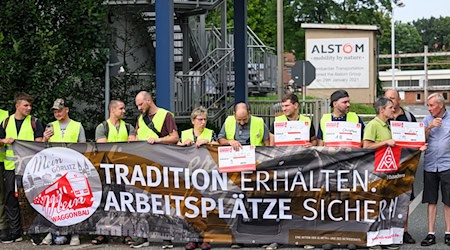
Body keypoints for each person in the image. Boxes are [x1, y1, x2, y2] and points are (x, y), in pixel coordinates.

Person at [133, 91, 179, 249]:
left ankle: (167, 237)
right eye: (137, 105)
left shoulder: (165, 115)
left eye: (140, 104)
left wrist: (158, 140)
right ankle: (142, 236)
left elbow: (174, 137)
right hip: (144, 166)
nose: (139, 108)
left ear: (148, 100)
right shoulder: (141, 119)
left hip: (162, 164)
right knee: (143, 201)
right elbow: (136, 136)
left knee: (164, 201)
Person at [0, 92, 44, 244]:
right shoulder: (5, 122)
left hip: (29, 168)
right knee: (11, 199)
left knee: (31, 199)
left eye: (30, 105)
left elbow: (39, 144)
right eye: (26, 105)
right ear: (17, 106)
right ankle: (15, 232)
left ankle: (34, 232)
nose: (29, 108)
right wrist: (4, 140)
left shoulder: (34, 122)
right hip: (10, 167)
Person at [42, 98, 86, 246]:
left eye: (59, 110)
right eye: (55, 111)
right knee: (55, 201)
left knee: (73, 201)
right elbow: (44, 149)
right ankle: (52, 231)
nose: (57, 113)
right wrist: (45, 139)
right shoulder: (50, 125)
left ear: (66, 110)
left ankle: (75, 233)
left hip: (72, 169)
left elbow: (83, 148)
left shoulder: (77, 126)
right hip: (55, 169)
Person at [91, 100, 136, 245]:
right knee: (104, 201)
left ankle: (127, 233)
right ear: (112, 110)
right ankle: (102, 233)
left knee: (125, 202)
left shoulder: (128, 127)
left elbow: (132, 146)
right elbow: (104, 148)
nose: (124, 111)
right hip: (106, 172)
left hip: (124, 172)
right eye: (121, 108)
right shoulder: (102, 127)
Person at [384, 89, 416, 244]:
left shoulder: (409, 117)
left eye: (393, 98)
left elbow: (417, 137)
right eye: (387, 99)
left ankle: (404, 231)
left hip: (405, 164)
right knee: (387, 198)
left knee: (404, 198)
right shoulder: (382, 118)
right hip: (387, 165)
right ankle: (388, 231)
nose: (391, 102)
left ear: (399, 100)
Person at [180, 107, 215, 250]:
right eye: (200, 120)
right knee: (190, 208)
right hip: (189, 175)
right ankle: (192, 238)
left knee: (205, 209)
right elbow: (174, 150)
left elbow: (218, 146)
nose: (203, 122)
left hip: (206, 175)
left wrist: (208, 142)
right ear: (193, 121)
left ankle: (205, 239)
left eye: (205, 119)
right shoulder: (185, 134)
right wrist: (183, 145)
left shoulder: (210, 133)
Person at [420, 93, 450, 247]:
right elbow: (421, 140)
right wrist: (429, 127)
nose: (429, 108)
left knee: (448, 201)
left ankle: (448, 233)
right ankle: (430, 233)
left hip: (447, 165)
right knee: (431, 200)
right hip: (430, 165)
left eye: (431, 105)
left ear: (440, 105)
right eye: (428, 105)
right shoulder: (426, 120)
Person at [0, 108, 8, 242]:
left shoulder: (4, 116)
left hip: (2, 162)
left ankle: (2, 228)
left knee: (1, 197)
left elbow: (2, 140)